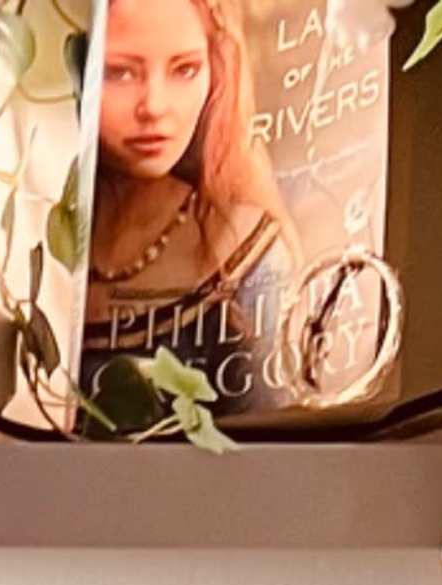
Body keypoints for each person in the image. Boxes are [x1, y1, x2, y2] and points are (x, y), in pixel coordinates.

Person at [83, 0, 294, 415]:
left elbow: (273, 458)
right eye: (121, 72)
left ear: (216, 70)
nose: (155, 107)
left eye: (185, 70)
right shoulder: (16, 246)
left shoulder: (246, 252)